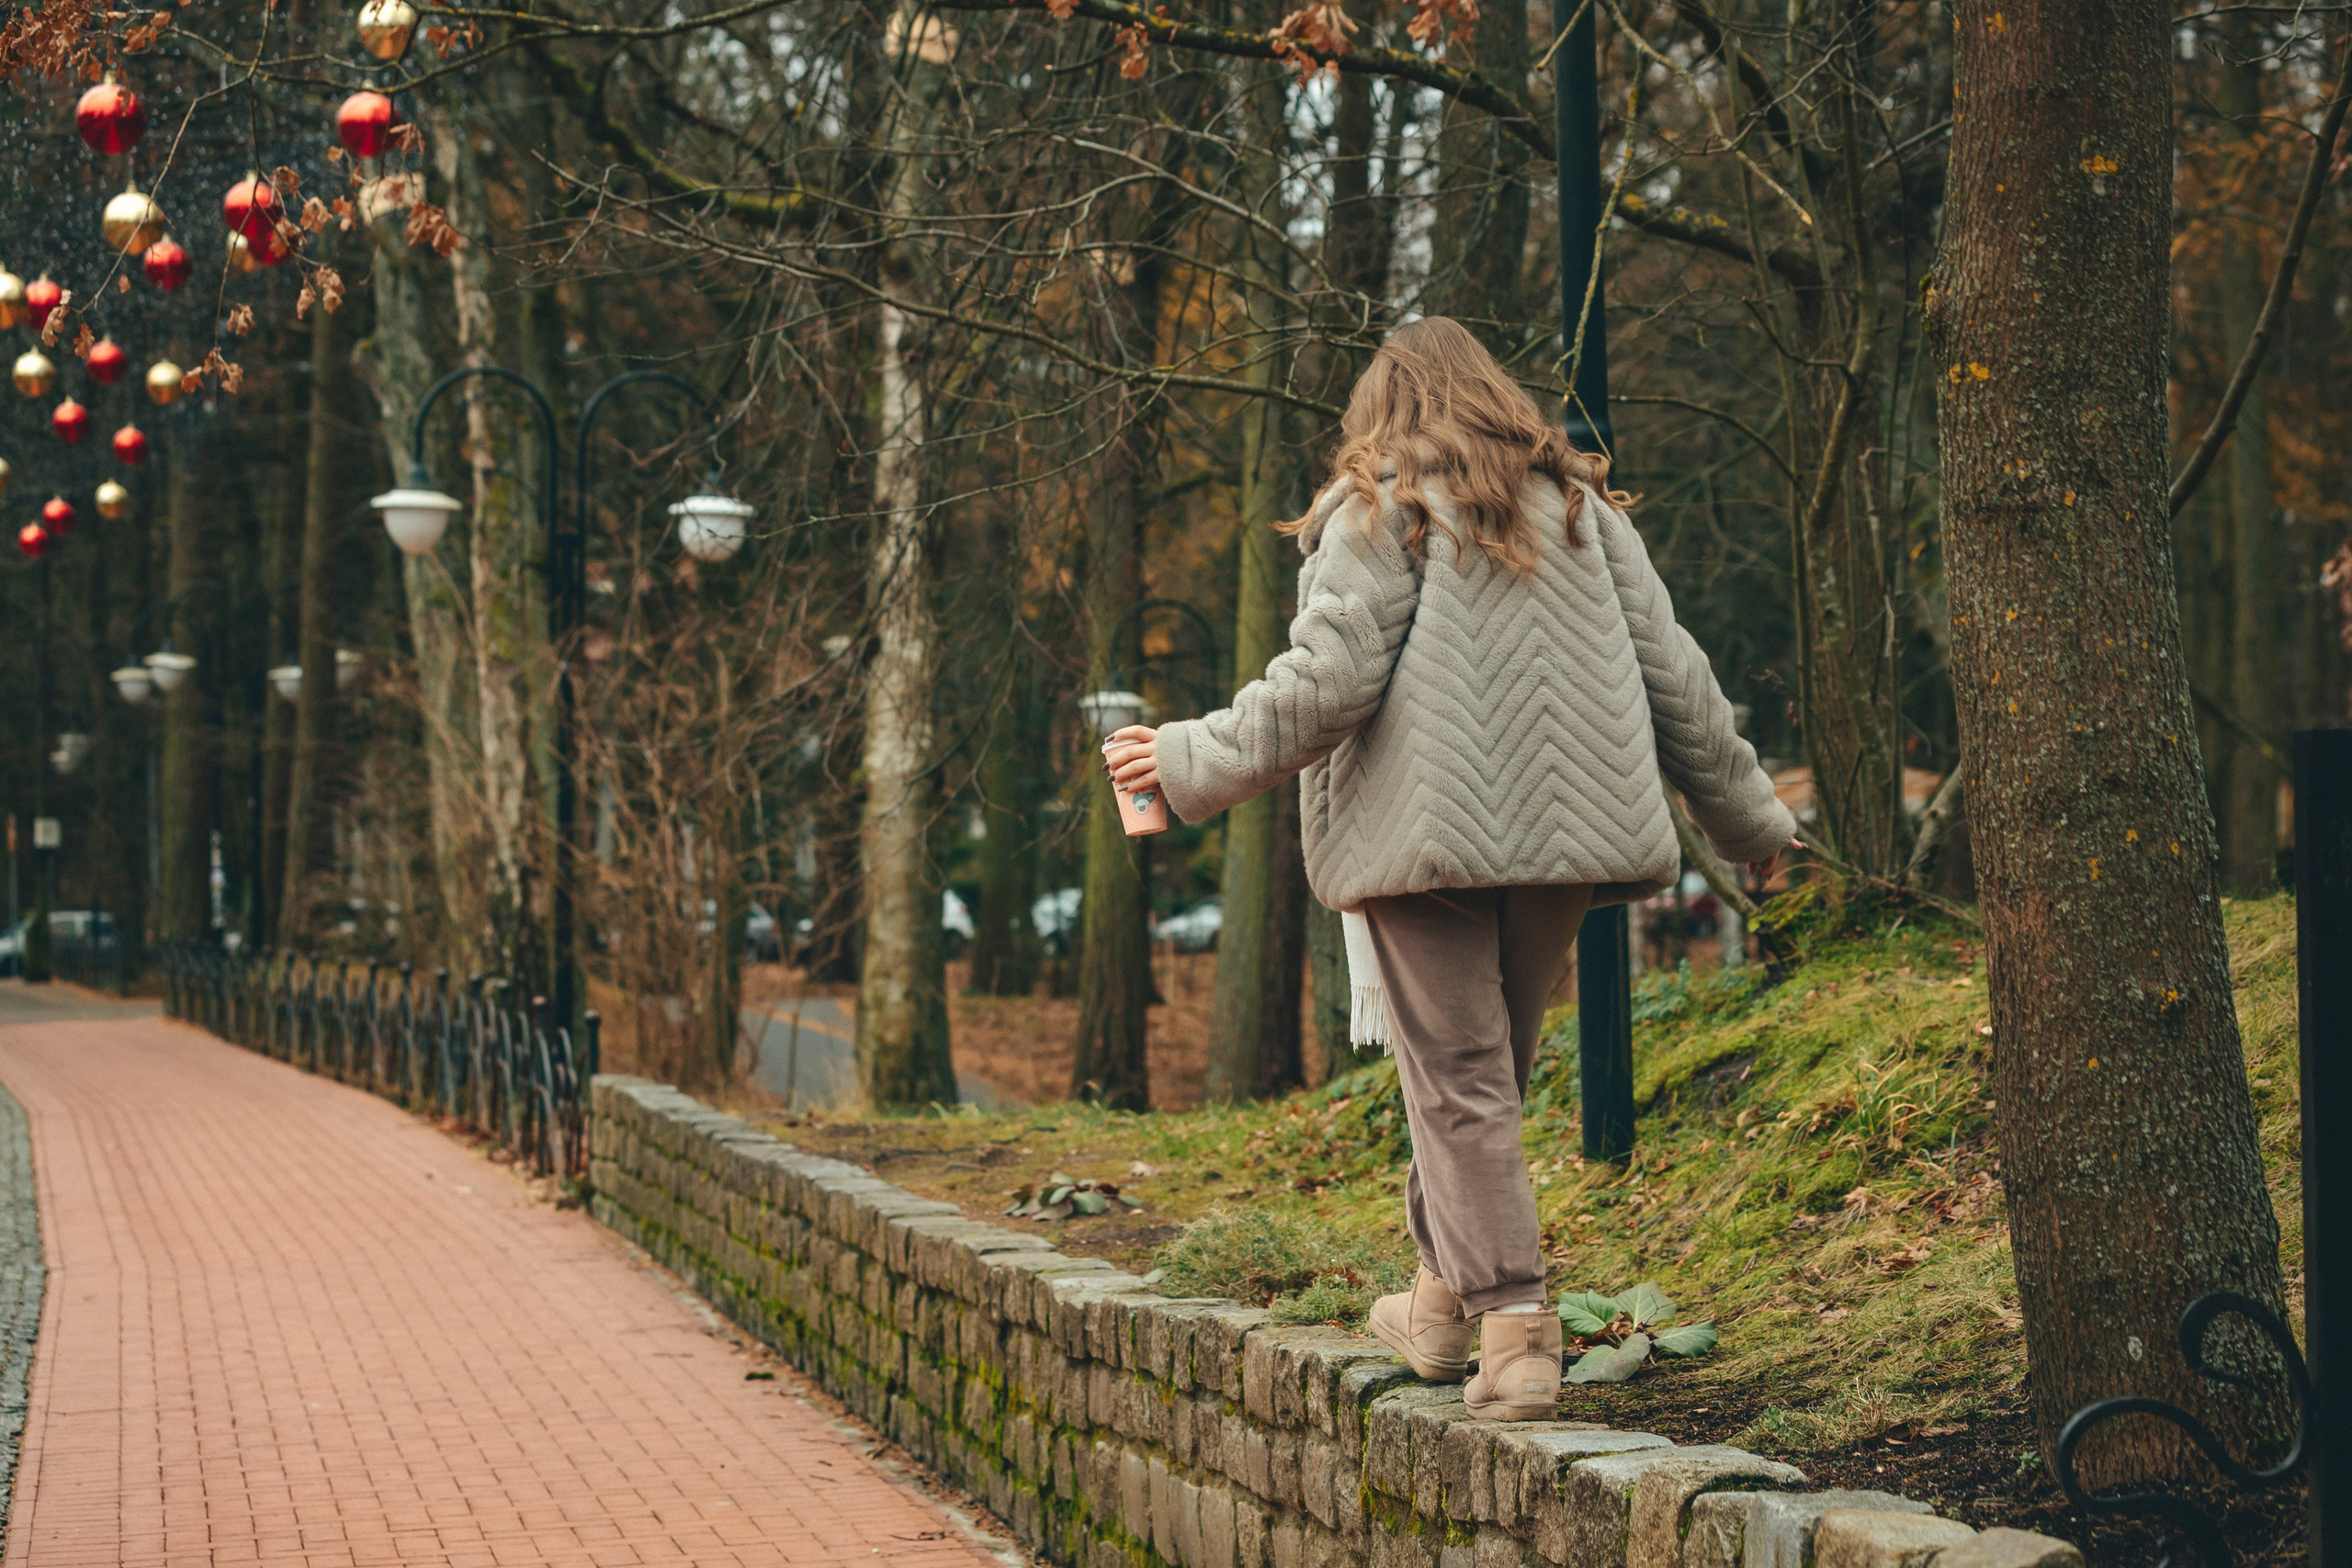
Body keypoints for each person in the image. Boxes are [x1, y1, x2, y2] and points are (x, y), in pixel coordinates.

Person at [1103, 317, 1795, 1419]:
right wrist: (1751, 821)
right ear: (1495, 399)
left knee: (1462, 1081)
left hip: (1426, 841)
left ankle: (1515, 1328)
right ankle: (1437, 1308)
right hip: (1567, 839)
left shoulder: (1381, 507)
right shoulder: (1582, 511)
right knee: (1483, 1078)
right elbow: (1680, 675)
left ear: (1382, 408)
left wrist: (1189, 756)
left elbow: (1326, 681)